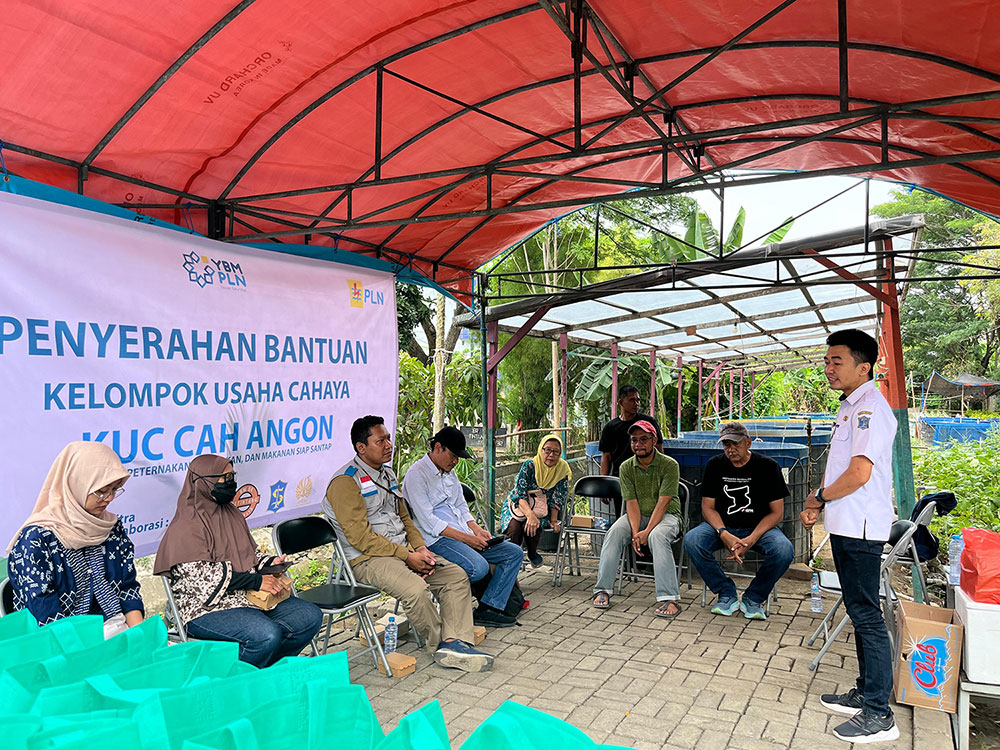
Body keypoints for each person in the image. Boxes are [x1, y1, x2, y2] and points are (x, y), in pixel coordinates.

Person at [324, 415, 494, 672]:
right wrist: (407, 556)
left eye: (388, 439)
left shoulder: (387, 474)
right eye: (380, 441)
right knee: (416, 590)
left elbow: (405, 518)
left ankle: (454, 642)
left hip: (403, 550)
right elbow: (360, 538)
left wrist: (420, 548)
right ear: (361, 447)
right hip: (367, 559)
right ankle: (440, 644)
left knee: (455, 576)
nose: (388, 445)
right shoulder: (346, 482)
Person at [800, 329, 900, 744]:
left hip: (860, 527)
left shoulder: (871, 409)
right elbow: (844, 467)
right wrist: (821, 505)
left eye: (836, 361)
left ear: (864, 367)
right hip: (845, 525)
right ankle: (864, 692)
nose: (828, 368)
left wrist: (819, 497)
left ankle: (879, 713)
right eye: (827, 361)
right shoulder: (851, 406)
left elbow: (859, 473)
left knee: (867, 615)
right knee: (859, 612)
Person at [154, 454, 322, 668]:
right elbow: (202, 581)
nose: (230, 483)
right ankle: (232, 680)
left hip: (245, 597)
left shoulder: (231, 513)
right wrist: (257, 581)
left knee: (308, 617)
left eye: (232, 476)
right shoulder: (186, 525)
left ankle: (263, 671)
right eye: (224, 478)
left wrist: (269, 564)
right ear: (203, 482)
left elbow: (248, 555)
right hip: (204, 607)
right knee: (265, 635)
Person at [7, 441, 144, 636]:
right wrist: (91, 651)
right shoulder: (36, 540)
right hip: (61, 642)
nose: (109, 498)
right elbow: (44, 615)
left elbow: (128, 588)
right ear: (76, 483)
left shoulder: (111, 528)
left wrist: (142, 637)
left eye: (115, 489)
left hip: (116, 630)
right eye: (102, 491)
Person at [402, 426, 522, 628]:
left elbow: (461, 506)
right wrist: (468, 539)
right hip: (437, 539)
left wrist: (477, 530)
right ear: (438, 448)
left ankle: (489, 608)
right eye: (453, 456)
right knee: (478, 567)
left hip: (463, 534)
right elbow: (429, 522)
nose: (456, 461)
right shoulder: (417, 475)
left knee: (513, 553)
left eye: (458, 457)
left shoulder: (450, 473)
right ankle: (475, 605)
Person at [683, 422, 793, 620]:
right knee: (693, 540)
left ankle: (754, 597)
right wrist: (723, 533)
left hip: (759, 529)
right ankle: (726, 591)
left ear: (748, 443)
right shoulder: (715, 465)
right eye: (726, 444)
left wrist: (751, 539)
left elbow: (777, 513)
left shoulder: (768, 466)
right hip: (722, 527)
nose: (731, 449)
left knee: (784, 550)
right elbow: (707, 507)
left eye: (736, 443)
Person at [592, 421, 682, 617]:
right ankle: (602, 589)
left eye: (643, 439)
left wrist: (646, 532)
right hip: (637, 515)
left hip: (667, 516)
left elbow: (663, 503)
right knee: (615, 532)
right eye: (634, 440)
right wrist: (635, 534)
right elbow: (631, 503)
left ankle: (670, 598)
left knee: (657, 536)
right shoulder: (626, 467)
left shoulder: (669, 465)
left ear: (654, 440)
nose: (638, 444)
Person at [500, 433, 570, 568]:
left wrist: (554, 521)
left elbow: (558, 498)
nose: (551, 455)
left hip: (542, 510)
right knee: (515, 528)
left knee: (534, 525)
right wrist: (530, 515)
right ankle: (512, 561)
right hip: (518, 506)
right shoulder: (530, 466)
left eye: (556, 452)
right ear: (541, 450)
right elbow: (520, 494)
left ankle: (532, 553)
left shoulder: (562, 470)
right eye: (547, 450)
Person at [599, 385, 663, 477]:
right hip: (619, 477)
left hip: (646, 476)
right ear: (621, 402)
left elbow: (659, 448)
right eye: (632, 400)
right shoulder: (610, 427)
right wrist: (603, 480)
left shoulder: (648, 422)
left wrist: (659, 474)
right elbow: (606, 456)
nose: (636, 404)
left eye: (638, 400)